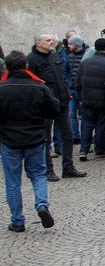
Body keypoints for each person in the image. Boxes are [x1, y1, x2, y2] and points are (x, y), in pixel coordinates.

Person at [0, 51, 60, 232]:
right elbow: (54, 109)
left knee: (12, 182)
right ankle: (41, 204)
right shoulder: (39, 87)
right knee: (38, 175)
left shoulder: (2, 89)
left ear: (7, 67)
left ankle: (17, 220)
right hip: (35, 137)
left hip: (9, 140)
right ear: (26, 66)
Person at [28, 35, 84, 180]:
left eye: (51, 40)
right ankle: (48, 170)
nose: (52, 42)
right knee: (45, 138)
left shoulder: (55, 56)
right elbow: (32, 84)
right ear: (38, 43)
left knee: (68, 136)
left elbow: (64, 76)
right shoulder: (32, 59)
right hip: (44, 105)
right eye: (47, 40)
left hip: (62, 101)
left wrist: (67, 92)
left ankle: (68, 168)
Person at [76, 38, 105, 162]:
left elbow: (78, 82)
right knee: (102, 125)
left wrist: (80, 97)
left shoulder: (85, 62)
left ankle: (83, 150)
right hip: (103, 100)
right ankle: (100, 150)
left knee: (87, 124)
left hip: (87, 98)